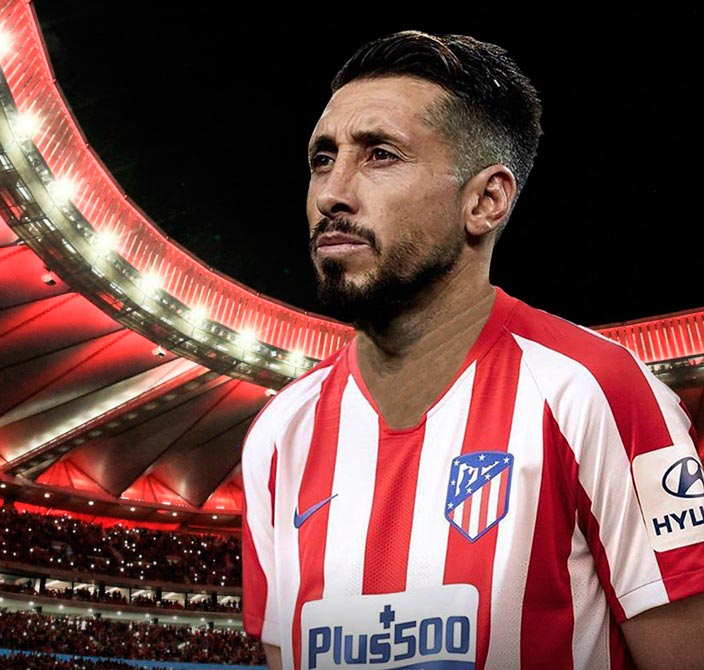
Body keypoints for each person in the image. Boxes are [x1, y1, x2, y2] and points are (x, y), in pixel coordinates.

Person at [240, 30, 704, 670]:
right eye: (323, 158)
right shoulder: (278, 435)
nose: (331, 193)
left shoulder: (590, 391)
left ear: (486, 201)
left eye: (380, 155)